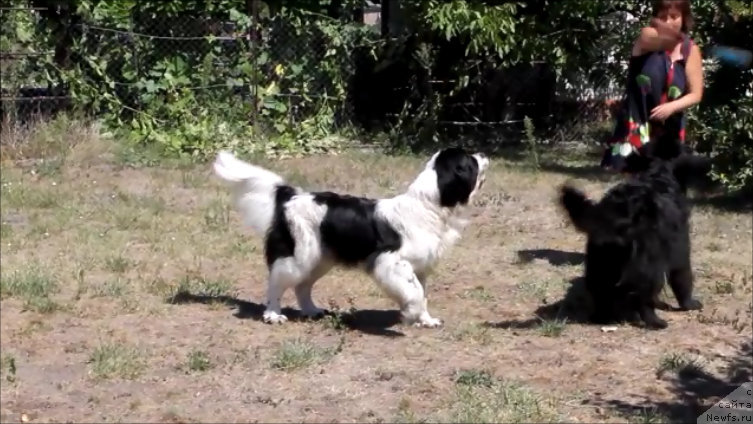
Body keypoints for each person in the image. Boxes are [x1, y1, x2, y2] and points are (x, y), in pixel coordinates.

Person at [602, 0, 704, 171]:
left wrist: (671, 107)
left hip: (669, 131)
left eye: (674, 17)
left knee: (665, 184)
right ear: (655, 19)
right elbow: (659, 40)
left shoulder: (690, 50)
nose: (668, 22)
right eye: (662, 17)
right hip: (637, 124)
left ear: (684, 18)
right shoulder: (647, 37)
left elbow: (696, 94)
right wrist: (672, 36)